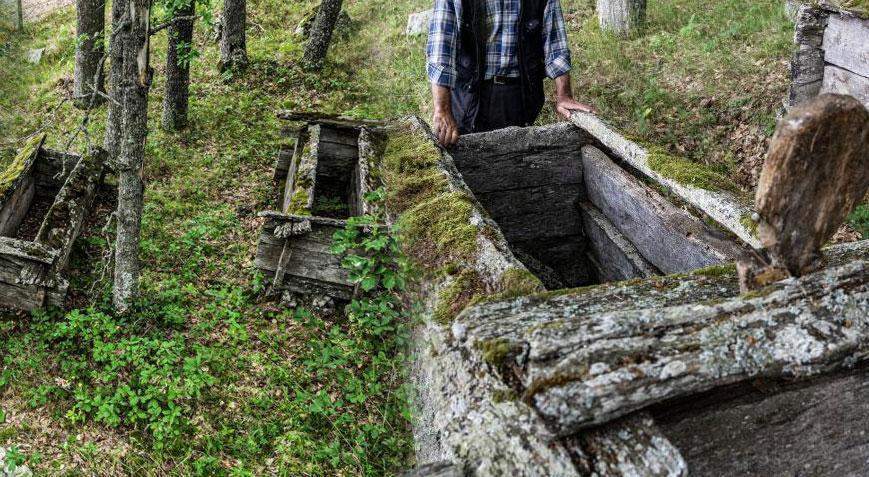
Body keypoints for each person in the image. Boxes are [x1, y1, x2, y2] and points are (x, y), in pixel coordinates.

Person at [426, 0, 595, 146]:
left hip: (519, 95)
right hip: (470, 97)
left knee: (515, 157)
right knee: (469, 159)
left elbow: (555, 45)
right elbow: (441, 50)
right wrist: (442, 109)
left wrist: (564, 95)